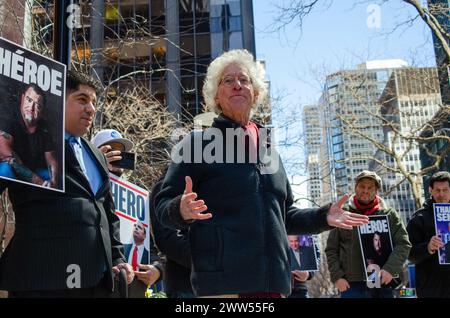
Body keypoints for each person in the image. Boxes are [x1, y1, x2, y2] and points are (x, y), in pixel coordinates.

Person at [155, 49, 369, 298]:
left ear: (255, 93)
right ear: (216, 96)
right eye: (228, 80)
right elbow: (162, 205)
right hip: (223, 288)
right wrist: (179, 209)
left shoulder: (271, 154)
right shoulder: (195, 145)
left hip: (274, 286)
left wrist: (323, 217)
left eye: (244, 80)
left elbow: (285, 216)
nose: (237, 85)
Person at [0, 70, 134, 297]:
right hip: (43, 281)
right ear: (58, 101)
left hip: (97, 283)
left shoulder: (97, 154)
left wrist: (118, 258)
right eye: (82, 99)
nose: (91, 109)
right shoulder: (26, 141)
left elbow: (107, 213)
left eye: (93, 102)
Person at [91, 129, 163, 296]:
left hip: (133, 284)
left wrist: (156, 269)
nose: (118, 155)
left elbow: (153, 245)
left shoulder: (141, 196)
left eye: (122, 151)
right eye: (110, 150)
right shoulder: (88, 185)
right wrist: (99, 169)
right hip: (99, 279)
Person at [326, 170, 411, 298]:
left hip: (381, 281)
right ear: (355, 187)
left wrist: (390, 269)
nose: (365, 191)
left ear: (376, 191)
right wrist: (337, 277)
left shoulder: (389, 215)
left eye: (370, 187)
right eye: (362, 186)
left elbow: (403, 244)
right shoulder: (342, 214)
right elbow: (331, 249)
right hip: (351, 284)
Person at [0, 83, 59, 188]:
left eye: (37, 105)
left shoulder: (43, 127)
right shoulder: (10, 116)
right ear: (22, 98)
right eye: (29, 100)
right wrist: (39, 182)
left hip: (31, 169)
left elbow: (51, 158)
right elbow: (6, 154)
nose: (31, 108)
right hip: (9, 168)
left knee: (50, 177)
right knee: (5, 170)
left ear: (42, 111)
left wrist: (53, 181)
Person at [150, 169, 194, 298]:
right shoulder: (166, 186)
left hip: (219, 282)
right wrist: (207, 259)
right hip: (185, 286)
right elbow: (167, 238)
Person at [407, 171, 450, 298]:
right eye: (437, 190)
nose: (441, 194)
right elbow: (408, 253)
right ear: (430, 190)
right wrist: (428, 247)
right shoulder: (419, 218)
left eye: (445, 190)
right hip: (431, 288)